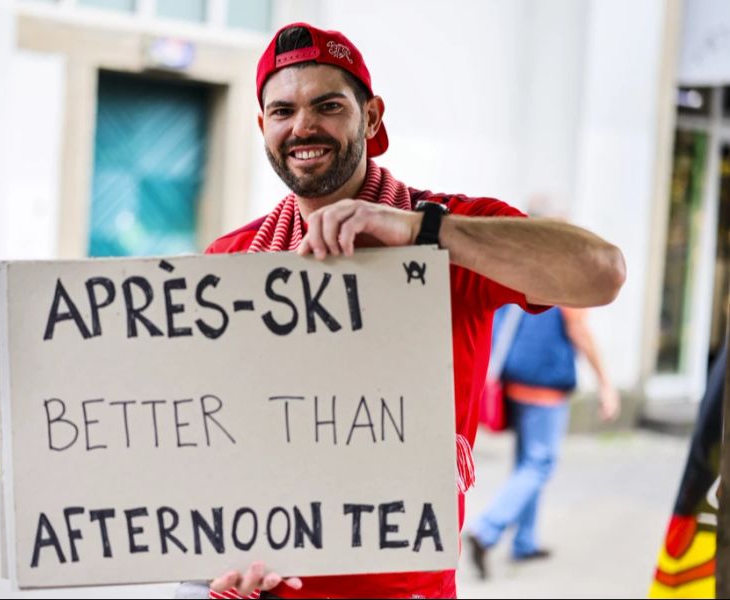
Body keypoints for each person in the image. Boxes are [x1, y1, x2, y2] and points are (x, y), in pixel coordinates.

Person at [199, 22, 626, 599]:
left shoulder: (452, 229)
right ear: (262, 126)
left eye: (328, 105)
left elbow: (601, 273)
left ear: (372, 117)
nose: (303, 127)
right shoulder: (230, 260)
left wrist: (420, 230)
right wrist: (214, 560)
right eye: (282, 111)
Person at [466, 305, 620, 580]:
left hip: (516, 380)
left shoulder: (530, 265)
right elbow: (579, 330)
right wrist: (605, 383)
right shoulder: (565, 273)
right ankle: (485, 529)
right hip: (545, 385)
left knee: (525, 464)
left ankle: (525, 542)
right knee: (539, 465)